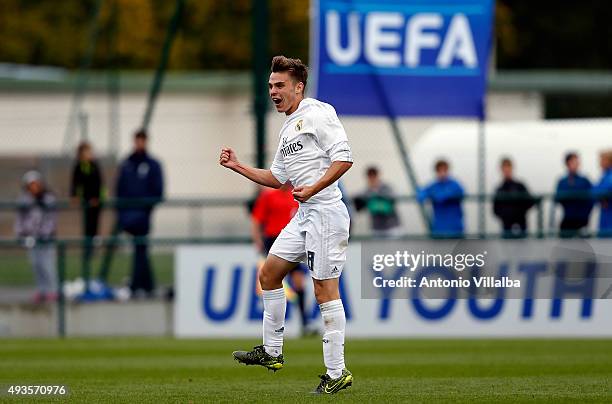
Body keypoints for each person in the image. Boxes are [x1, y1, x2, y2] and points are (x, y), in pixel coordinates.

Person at [222, 56, 353, 394]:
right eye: (270, 86)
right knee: (268, 274)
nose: (273, 91)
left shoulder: (318, 113)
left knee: (325, 290)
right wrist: (238, 166)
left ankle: (337, 372)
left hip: (325, 212)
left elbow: (344, 157)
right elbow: (276, 177)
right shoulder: (288, 126)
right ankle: (271, 351)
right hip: (305, 214)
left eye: (279, 85)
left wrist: (314, 188)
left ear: (298, 87)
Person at [100, 129, 164, 298]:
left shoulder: (153, 164)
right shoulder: (126, 164)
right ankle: (144, 285)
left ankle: (140, 285)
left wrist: (144, 209)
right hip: (127, 215)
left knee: (140, 249)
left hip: (143, 216)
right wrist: (123, 213)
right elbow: (119, 189)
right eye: (137, 141)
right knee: (140, 249)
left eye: (142, 141)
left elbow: (158, 191)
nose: (139, 144)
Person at [251, 183, 312, 336]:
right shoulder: (269, 196)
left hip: (293, 242)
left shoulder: (298, 195)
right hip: (273, 241)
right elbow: (257, 220)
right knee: (271, 283)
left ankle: (305, 323)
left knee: (299, 283)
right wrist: (257, 240)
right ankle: (272, 326)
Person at [14, 171, 58, 303]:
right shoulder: (24, 200)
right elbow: (19, 220)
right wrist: (21, 233)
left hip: (46, 238)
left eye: (36, 184)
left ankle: (52, 291)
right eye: (31, 185)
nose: (34, 187)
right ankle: (42, 290)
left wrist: (44, 234)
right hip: (31, 238)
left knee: (47, 265)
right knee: (36, 264)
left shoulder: (48, 199)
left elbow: (51, 219)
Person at [70, 142, 104, 297]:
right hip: (86, 202)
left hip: (95, 201)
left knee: (94, 224)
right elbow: (75, 183)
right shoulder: (79, 166)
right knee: (87, 226)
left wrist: (97, 198)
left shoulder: (94, 165)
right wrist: (75, 196)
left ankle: (94, 242)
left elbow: (99, 183)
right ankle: (88, 246)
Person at [417, 160, 464, 238]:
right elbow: (421, 196)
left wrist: (436, 195)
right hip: (439, 228)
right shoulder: (433, 185)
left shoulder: (455, 184)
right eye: (440, 171)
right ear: (436, 172)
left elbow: (459, 193)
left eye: (444, 170)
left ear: (447, 171)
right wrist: (424, 193)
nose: (442, 173)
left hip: (455, 228)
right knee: (440, 249)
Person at [493, 158, 536, 238]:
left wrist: (520, 212)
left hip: (521, 225)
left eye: (508, 167)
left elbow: (531, 202)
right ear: (501, 170)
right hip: (507, 226)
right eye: (504, 168)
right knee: (507, 247)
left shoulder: (520, 186)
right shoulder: (499, 189)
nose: (506, 170)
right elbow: (495, 209)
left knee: (522, 246)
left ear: (512, 168)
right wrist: (505, 215)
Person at [354, 166, 400, 237]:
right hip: (376, 227)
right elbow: (357, 197)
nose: (372, 178)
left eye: (374, 176)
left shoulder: (387, 187)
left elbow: (393, 197)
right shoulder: (366, 191)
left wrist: (376, 192)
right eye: (370, 176)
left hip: (392, 226)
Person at [554, 152, 593, 237]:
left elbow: (592, 199)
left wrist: (585, 213)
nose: (577, 163)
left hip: (582, 220)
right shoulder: (562, 181)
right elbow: (557, 198)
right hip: (568, 218)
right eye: (574, 161)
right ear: (568, 163)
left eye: (577, 161)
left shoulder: (584, 180)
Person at [593, 150, 612, 237]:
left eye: (602, 160)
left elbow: (600, 190)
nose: (600, 163)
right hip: (606, 215)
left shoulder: (609, 176)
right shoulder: (604, 175)